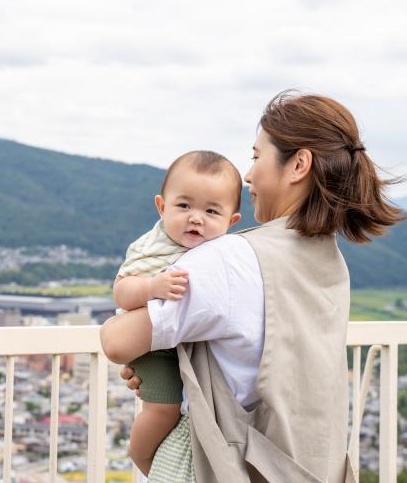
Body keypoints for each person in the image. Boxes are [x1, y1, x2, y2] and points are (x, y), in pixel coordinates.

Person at [100, 90, 404, 482]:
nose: (248, 174)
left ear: (298, 165)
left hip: (223, 463)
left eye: (257, 156)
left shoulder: (231, 259)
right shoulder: (329, 261)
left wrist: (132, 339)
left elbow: (117, 342)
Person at [113, 150, 242, 475]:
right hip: (155, 348)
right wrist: (150, 288)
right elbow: (122, 291)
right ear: (161, 207)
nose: (195, 218)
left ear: (231, 221)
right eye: (184, 206)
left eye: (211, 211)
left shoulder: (222, 254)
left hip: (184, 346)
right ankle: (143, 457)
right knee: (164, 409)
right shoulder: (153, 248)